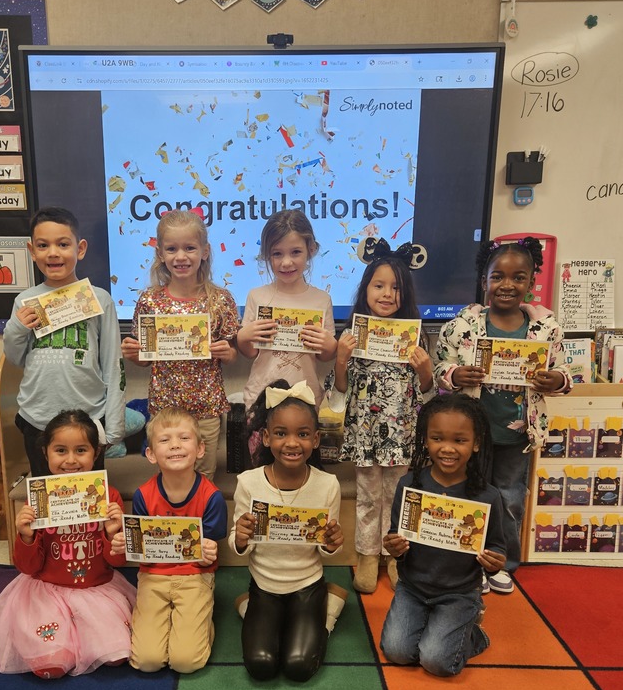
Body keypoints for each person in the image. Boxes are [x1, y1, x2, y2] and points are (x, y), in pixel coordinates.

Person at [434, 236, 571, 594]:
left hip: (516, 436)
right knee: (469, 497)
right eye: (498, 277)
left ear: (530, 283)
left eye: (518, 277)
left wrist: (554, 379)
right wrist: (453, 376)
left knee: (509, 498)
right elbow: (439, 367)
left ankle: (502, 563)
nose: (507, 285)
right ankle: (466, 561)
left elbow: (566, 375)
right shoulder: (462, 325)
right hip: (469, 435)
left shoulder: (546, 329)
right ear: (485, 282)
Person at [0, 409, 136, 679]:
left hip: (96, 588)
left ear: (96, 453)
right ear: (45, 453)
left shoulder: (108, 496)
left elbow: (118, 562)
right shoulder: (38, 499)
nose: (70, 460)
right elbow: (28, 567)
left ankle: (90, 634)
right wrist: (27, 536)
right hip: (47, 592)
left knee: (117, 656)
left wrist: (112, 535)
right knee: (51, 665)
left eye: (81, 450)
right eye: (60, 450)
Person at [325, 239, 435, 594]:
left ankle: (396, 556)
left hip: (403, 436)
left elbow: (429, 395)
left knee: (401, 495)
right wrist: (341, 359)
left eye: (396, 288)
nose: (387, 294)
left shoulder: (415, 339)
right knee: (369, 497)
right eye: (379, 285)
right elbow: (338, 393)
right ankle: (368, 555)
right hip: (366, 436)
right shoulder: (352, 336)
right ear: (365, 289)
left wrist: (426, 370)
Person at [381, 392, 505, 677]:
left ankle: (474, 635)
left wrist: (495, 562)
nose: (447, 448)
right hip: (412, 587)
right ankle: (438, 628)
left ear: (476, 444)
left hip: (458, 593)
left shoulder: (487, 496)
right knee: (398, 652)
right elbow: (396, 535)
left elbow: (497, 545)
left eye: (459, 440)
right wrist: (394, 546)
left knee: (436, 662)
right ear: (425, 440)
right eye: (438, 438)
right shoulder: (410, 486)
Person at [229, 380, 344, 683]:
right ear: (266, 438)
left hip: (307, 585)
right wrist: (240, 538)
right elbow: (238, 543)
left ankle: (328, 611)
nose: (292, 443)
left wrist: (333, 544)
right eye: (281, 434)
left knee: (298, 667)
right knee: (261, 665)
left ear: (316, 440)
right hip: (264, 586)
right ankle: (250, 606)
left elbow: (326, 547)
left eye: (303, 434)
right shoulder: (248, 483)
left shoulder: (328, 485)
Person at [3, 206, 125, 477]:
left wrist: (114, 424)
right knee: (48, 503)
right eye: (43, 245)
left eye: (63, 244)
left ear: (80, 249)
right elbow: (15, 358)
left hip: (87, 420)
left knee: (87, 501)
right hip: (38, 417)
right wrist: (17, 327)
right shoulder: (24, 301)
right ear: (32, 251)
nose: (53, 253)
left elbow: (113, 364)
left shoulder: (100, 299)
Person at [121, 208, 238, 480]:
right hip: (165, 408)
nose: (181, 257)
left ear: (205, 251)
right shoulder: (149, 301)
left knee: (204, 478)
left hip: (206, 408)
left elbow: (232, 352)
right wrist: (133, 354)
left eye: (190, 248)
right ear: (160, 254)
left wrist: (226, 352)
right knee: (170, 476)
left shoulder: (220, 300)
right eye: (172, 249)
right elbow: (145, 358)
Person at [112, 407, 228, 674]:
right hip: (153, 576)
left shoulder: (212, 497)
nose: (175, 445)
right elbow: (141, 546)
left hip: (194, 576)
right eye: (165, 440)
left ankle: (202, 619)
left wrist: (208, 550)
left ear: (200, 449)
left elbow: (210, 548)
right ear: (151, 454)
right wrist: (125, 544)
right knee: (147, 662)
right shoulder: (143, 495)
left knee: (186, 662)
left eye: (184, 438)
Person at [237, 210, 337, 415]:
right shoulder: (257, 297)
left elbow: (324, 356)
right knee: (261, 447)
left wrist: (331, 346)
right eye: (277, 253)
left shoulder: (321, 299)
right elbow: (250, 352)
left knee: (298, 448)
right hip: (261, 397)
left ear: (311, 249)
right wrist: (243, 337)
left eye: (295, 252)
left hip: (305, 397)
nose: (286, 262)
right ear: (266, 254)